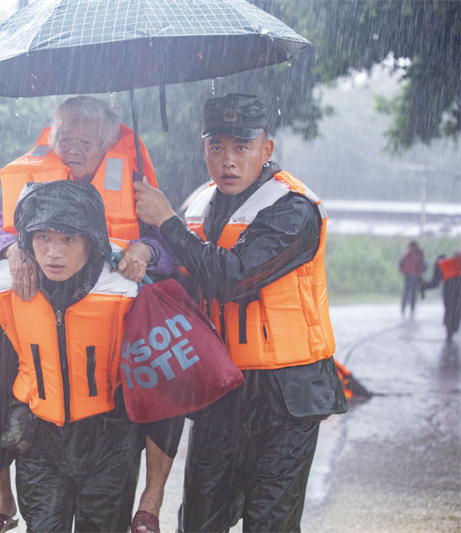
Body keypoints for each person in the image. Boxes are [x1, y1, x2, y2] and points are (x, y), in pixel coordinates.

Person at [134, 93, 348, 532]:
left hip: (287, 392)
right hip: (221, 384)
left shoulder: (293, 208)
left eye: (241, 147)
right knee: (198, 520)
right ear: (204, 149)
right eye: (217, 147)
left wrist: (166, 224)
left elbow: (231, 278)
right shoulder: (200, 205)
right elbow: (180, 274)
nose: (227, 160)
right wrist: (146, 248)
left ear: (265, 150)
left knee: (269, 524)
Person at [0, 95, 182, 533]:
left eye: (85, 140)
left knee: (169, 368)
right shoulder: (35, 181)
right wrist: (14, 249)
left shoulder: (136, 186)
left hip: (113, 333)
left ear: (109, 143)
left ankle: (150, 500)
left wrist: (144, 248)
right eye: (63, 138)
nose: (72, 148)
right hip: (39, 326)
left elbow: (173, 250)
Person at [0, 180, 145, 532]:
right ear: (26, 242)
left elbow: (170, 254)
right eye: (43, 237)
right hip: (39, 439)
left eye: (68, 239)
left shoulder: (127, 289)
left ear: (91, 241)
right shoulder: (1, 288)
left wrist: (147, 251)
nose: (53, 253)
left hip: (109, 438)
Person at [422, 250, 461, 341]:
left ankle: (449, 329)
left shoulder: (443, 263)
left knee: (449, 308)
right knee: (458, 308)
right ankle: (454, 327)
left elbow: (435, 283)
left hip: (449, 286)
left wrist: (423, 286)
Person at [398, 240, 426, 317]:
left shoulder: (407, 252)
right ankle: (412, 309)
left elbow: (401, 263)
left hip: (408, 275)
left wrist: (403, 271)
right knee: (414, 292)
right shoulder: (420, 252)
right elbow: (423, 264)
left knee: (406, 292)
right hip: (416, 275)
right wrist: (421, 271)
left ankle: (403, 308)